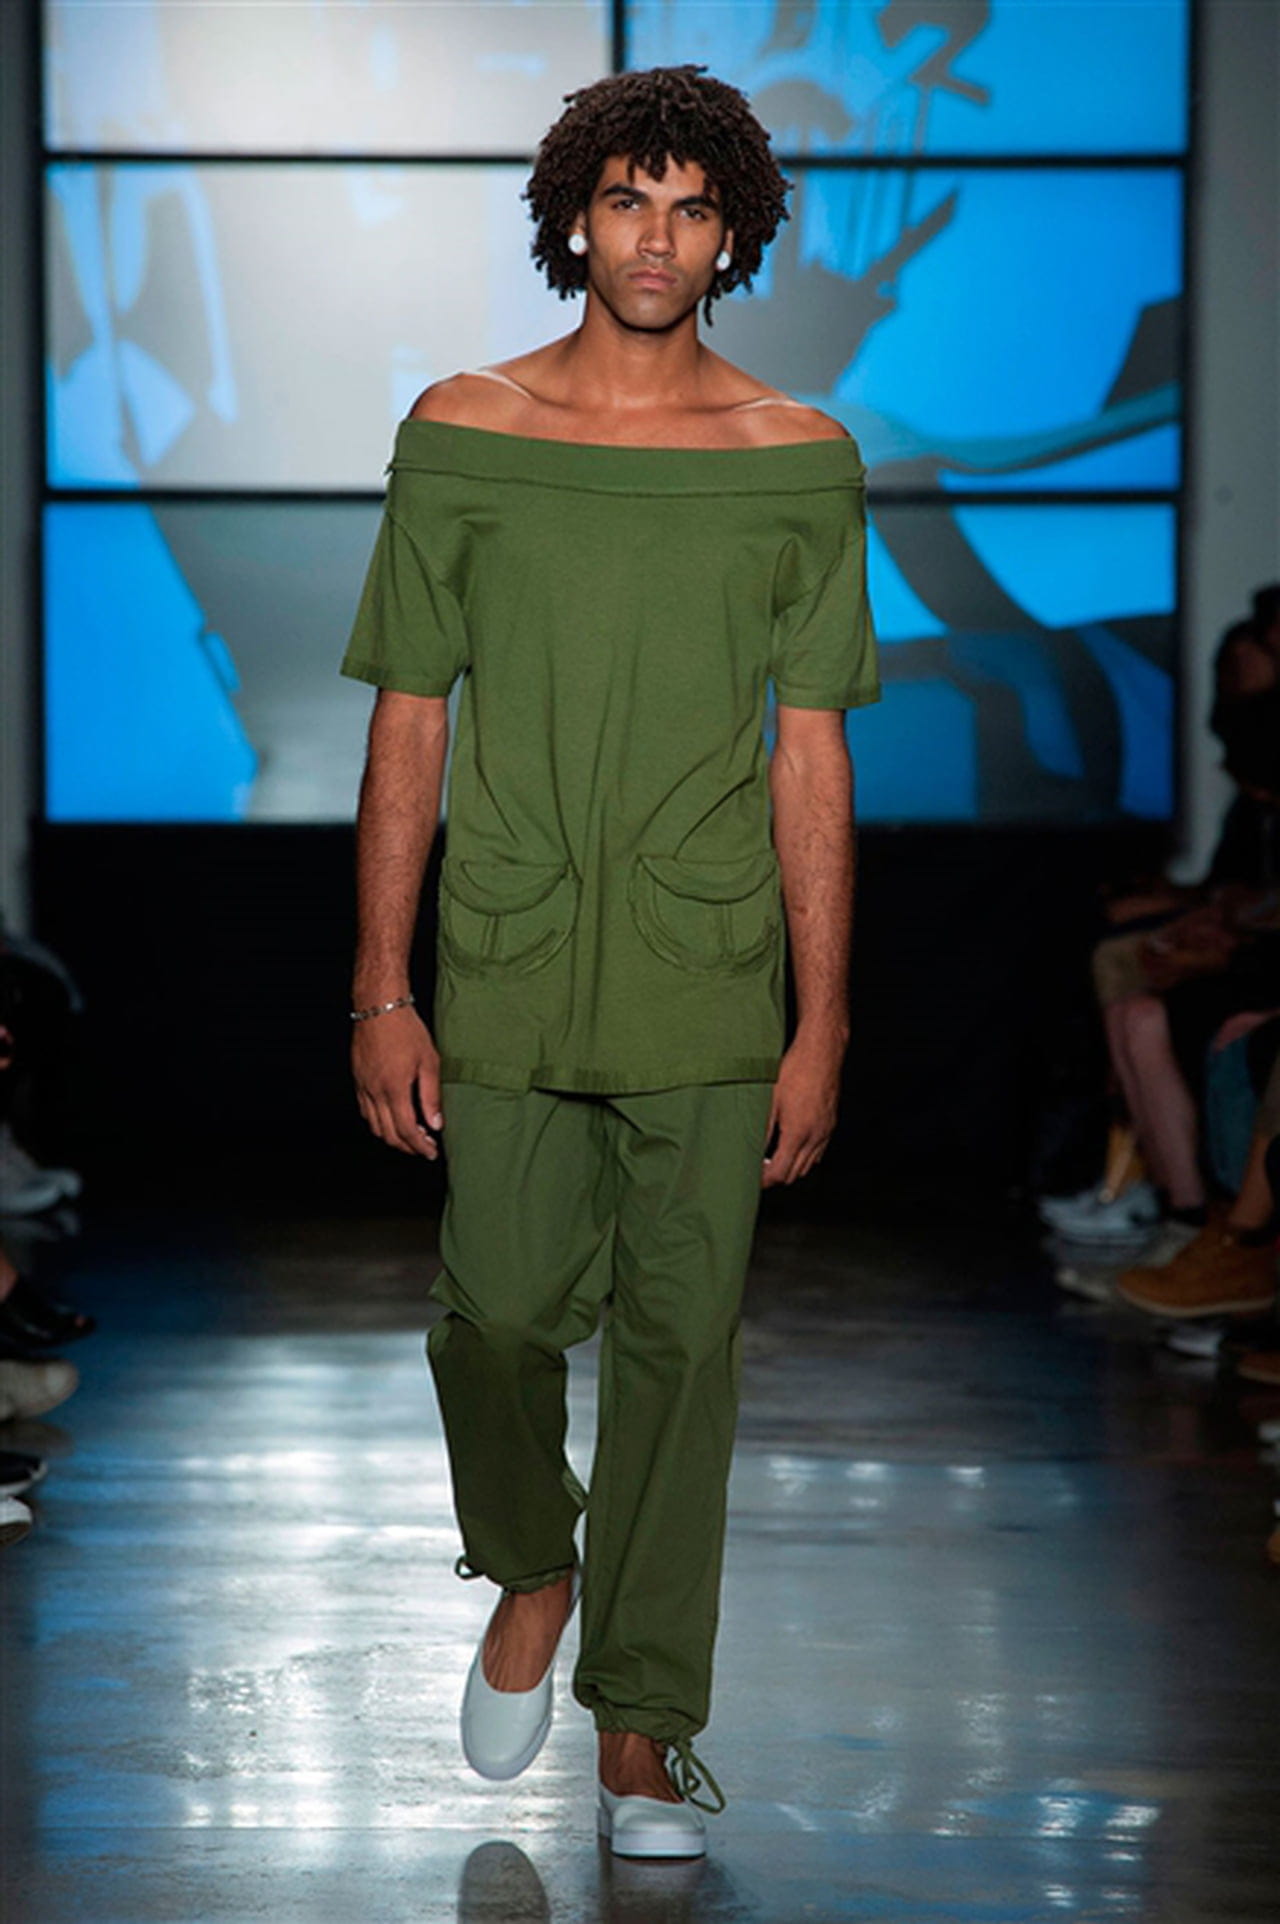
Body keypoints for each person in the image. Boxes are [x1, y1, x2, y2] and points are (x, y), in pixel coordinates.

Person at [340, 67, 878, 1859]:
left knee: (683, 1351)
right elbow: (409, 718)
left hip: (708, 966)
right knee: (492, 1316)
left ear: (735, 239)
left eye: (693, 209)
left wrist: (823, 1019)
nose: (658, 237)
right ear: (575, 217)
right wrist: (382, 983)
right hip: (503, 950)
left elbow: (813, 754)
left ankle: (644, 1727)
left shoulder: (797, 457)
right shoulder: (464, 428)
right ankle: (531, 1565)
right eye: (629, 200)